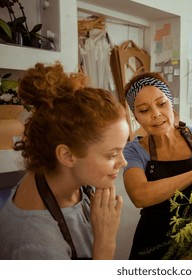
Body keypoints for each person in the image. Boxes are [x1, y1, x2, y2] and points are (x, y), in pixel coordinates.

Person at [0, 62, 129, 260]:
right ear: (67, 156)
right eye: (112, 155)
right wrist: (105, 243)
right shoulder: (37, 246)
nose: (123, 162)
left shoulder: (56, 177)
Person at [123, 72, 192, 259]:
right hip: (152, 246)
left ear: (171, 102)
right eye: (144, 110)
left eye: (161, 104)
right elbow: (139, 196)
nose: (156, 114)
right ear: (135, 115)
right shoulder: (133, 150)